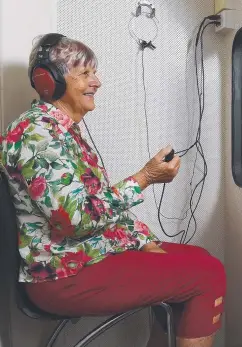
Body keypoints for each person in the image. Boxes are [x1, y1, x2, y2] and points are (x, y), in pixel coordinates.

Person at [0, 33, 225, 347]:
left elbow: (99, 207)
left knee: (199, 258)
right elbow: (76, 220)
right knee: (207, 274)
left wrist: (143, 240)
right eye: (85, 74)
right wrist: (144, 177)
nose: (97, 82)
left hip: (85, 257)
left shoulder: (65, 133)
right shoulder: (37, 133)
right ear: (48, 82)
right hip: (64, 275)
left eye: (95, 73)